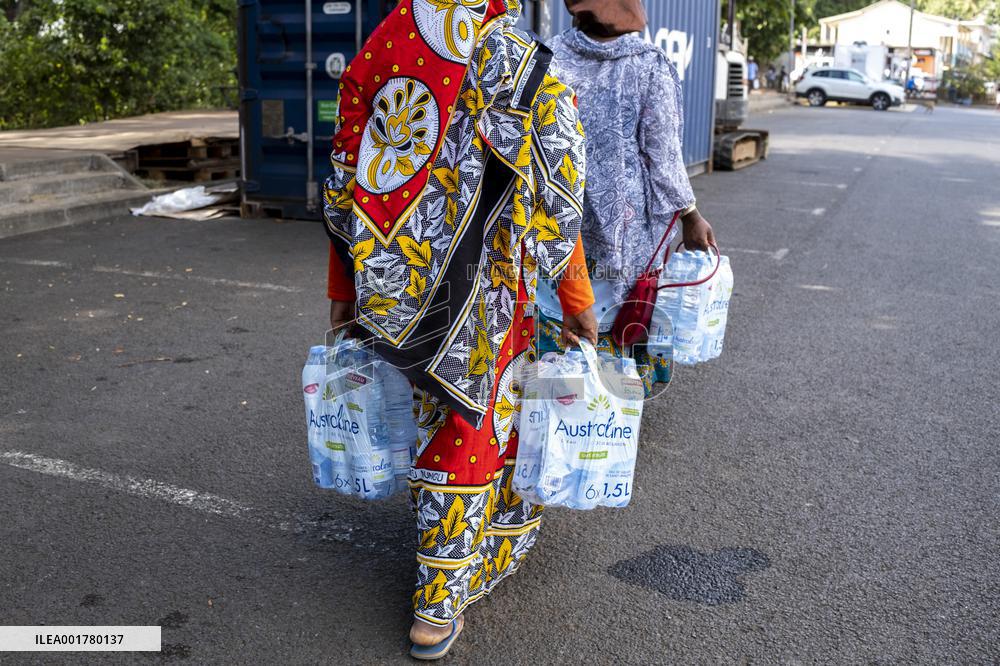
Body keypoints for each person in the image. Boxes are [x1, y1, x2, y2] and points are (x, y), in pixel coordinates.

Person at [322, 0, 598, 659]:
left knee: (428, 414)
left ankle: (464, 559)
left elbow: (340, 176)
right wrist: (576, 291)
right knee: (470, 424)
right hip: (486, 284)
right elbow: (559, 178)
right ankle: (438, 603)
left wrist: (342, 286)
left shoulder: (379, 52)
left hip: (394, 276)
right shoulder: (514, 59)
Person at [544, 0, 716, 394]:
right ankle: (608, 411)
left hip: (558, 216)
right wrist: (690, 215)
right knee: (617, 310)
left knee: (561, 302)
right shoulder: (649, 65)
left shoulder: (550, 56)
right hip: (625, 225)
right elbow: (664, 153)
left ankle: (559, 396)